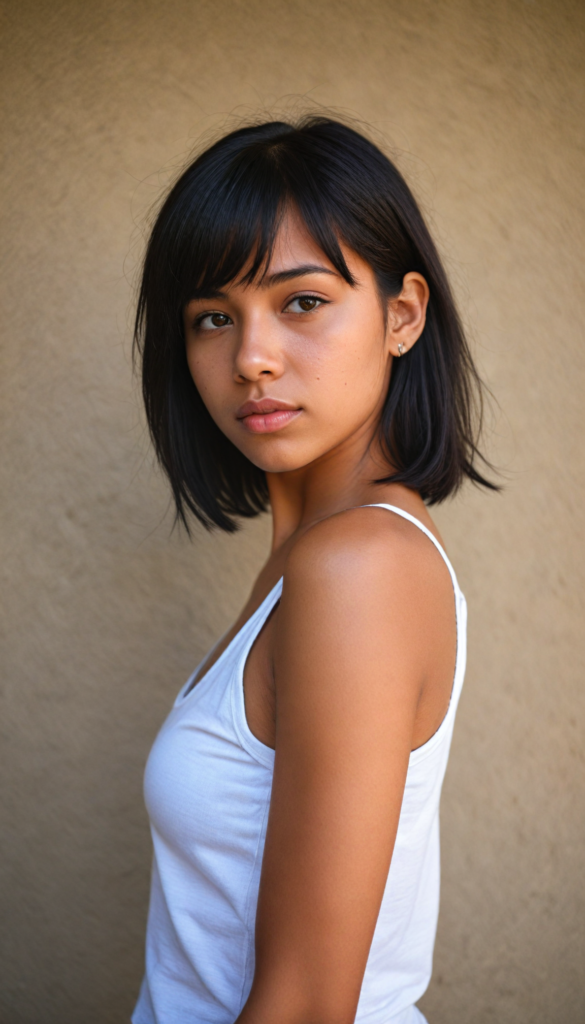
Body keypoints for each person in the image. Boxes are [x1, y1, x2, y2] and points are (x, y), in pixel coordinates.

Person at [131, 116, 495, 1024]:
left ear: (401, 315)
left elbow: (302, 1006)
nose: (250, 359)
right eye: (213, 318)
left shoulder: (357, 567)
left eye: (301, 302)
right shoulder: (309, 566)